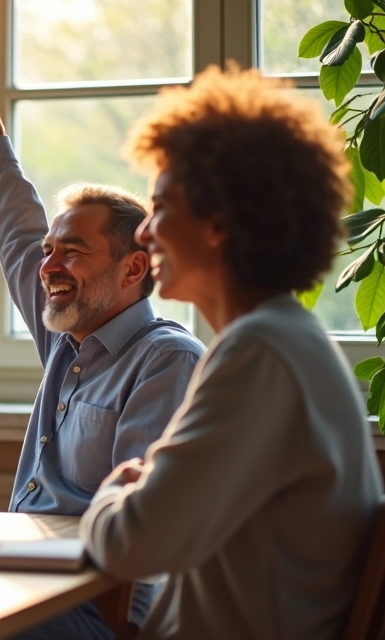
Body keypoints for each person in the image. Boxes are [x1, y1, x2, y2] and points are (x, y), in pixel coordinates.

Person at [76, 65, 385, 638]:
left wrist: (114, 489)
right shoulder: (288, 339)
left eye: (161, 207)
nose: (145, 233)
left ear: (217, 222)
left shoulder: (259, 353)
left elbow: (132, 546)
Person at [0, 19, 203, 636]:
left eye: (72, 252)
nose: (48, 265)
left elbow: (134, 533)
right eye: (49, 251)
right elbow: (16, 233)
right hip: (26, 581)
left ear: (134, 267)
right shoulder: (67, 341)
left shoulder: (167, 361)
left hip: (98, 608)